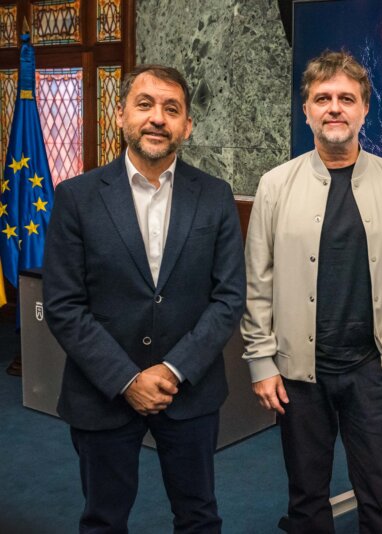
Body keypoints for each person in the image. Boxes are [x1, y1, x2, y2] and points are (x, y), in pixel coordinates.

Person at [241, 50, 382, 533]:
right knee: (306, 498)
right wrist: (261, 363)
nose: (335, 108)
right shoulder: (274, 186)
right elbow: (257, 283)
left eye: (346, 98)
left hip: (373, 368)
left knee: (381, 494)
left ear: (364, 109)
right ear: (306, 110)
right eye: (322, 98)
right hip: (298, 373)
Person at [43, 64, 246, 533]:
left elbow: (229, 297)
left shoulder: (214, 197)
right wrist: (126, 378)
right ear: (120, 115)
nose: (158, 118)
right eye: (145, 104)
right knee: (103, 520)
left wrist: (172, 369)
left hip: (189, 391)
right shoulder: (76, 197)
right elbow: (63, 304)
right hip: (103, 393)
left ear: (187, 125)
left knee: (199, 516)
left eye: (172, 109)